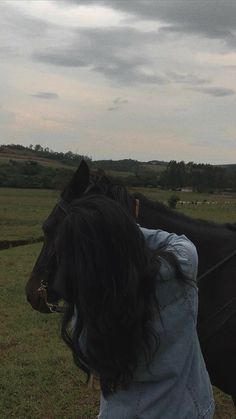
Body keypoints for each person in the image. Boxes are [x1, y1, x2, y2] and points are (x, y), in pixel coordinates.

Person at [53, 194, 215, 419]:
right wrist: (122, 230)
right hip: (188, 409)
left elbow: (96, 368)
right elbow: (175, 241)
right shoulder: (183, 266)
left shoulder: (82, 316)